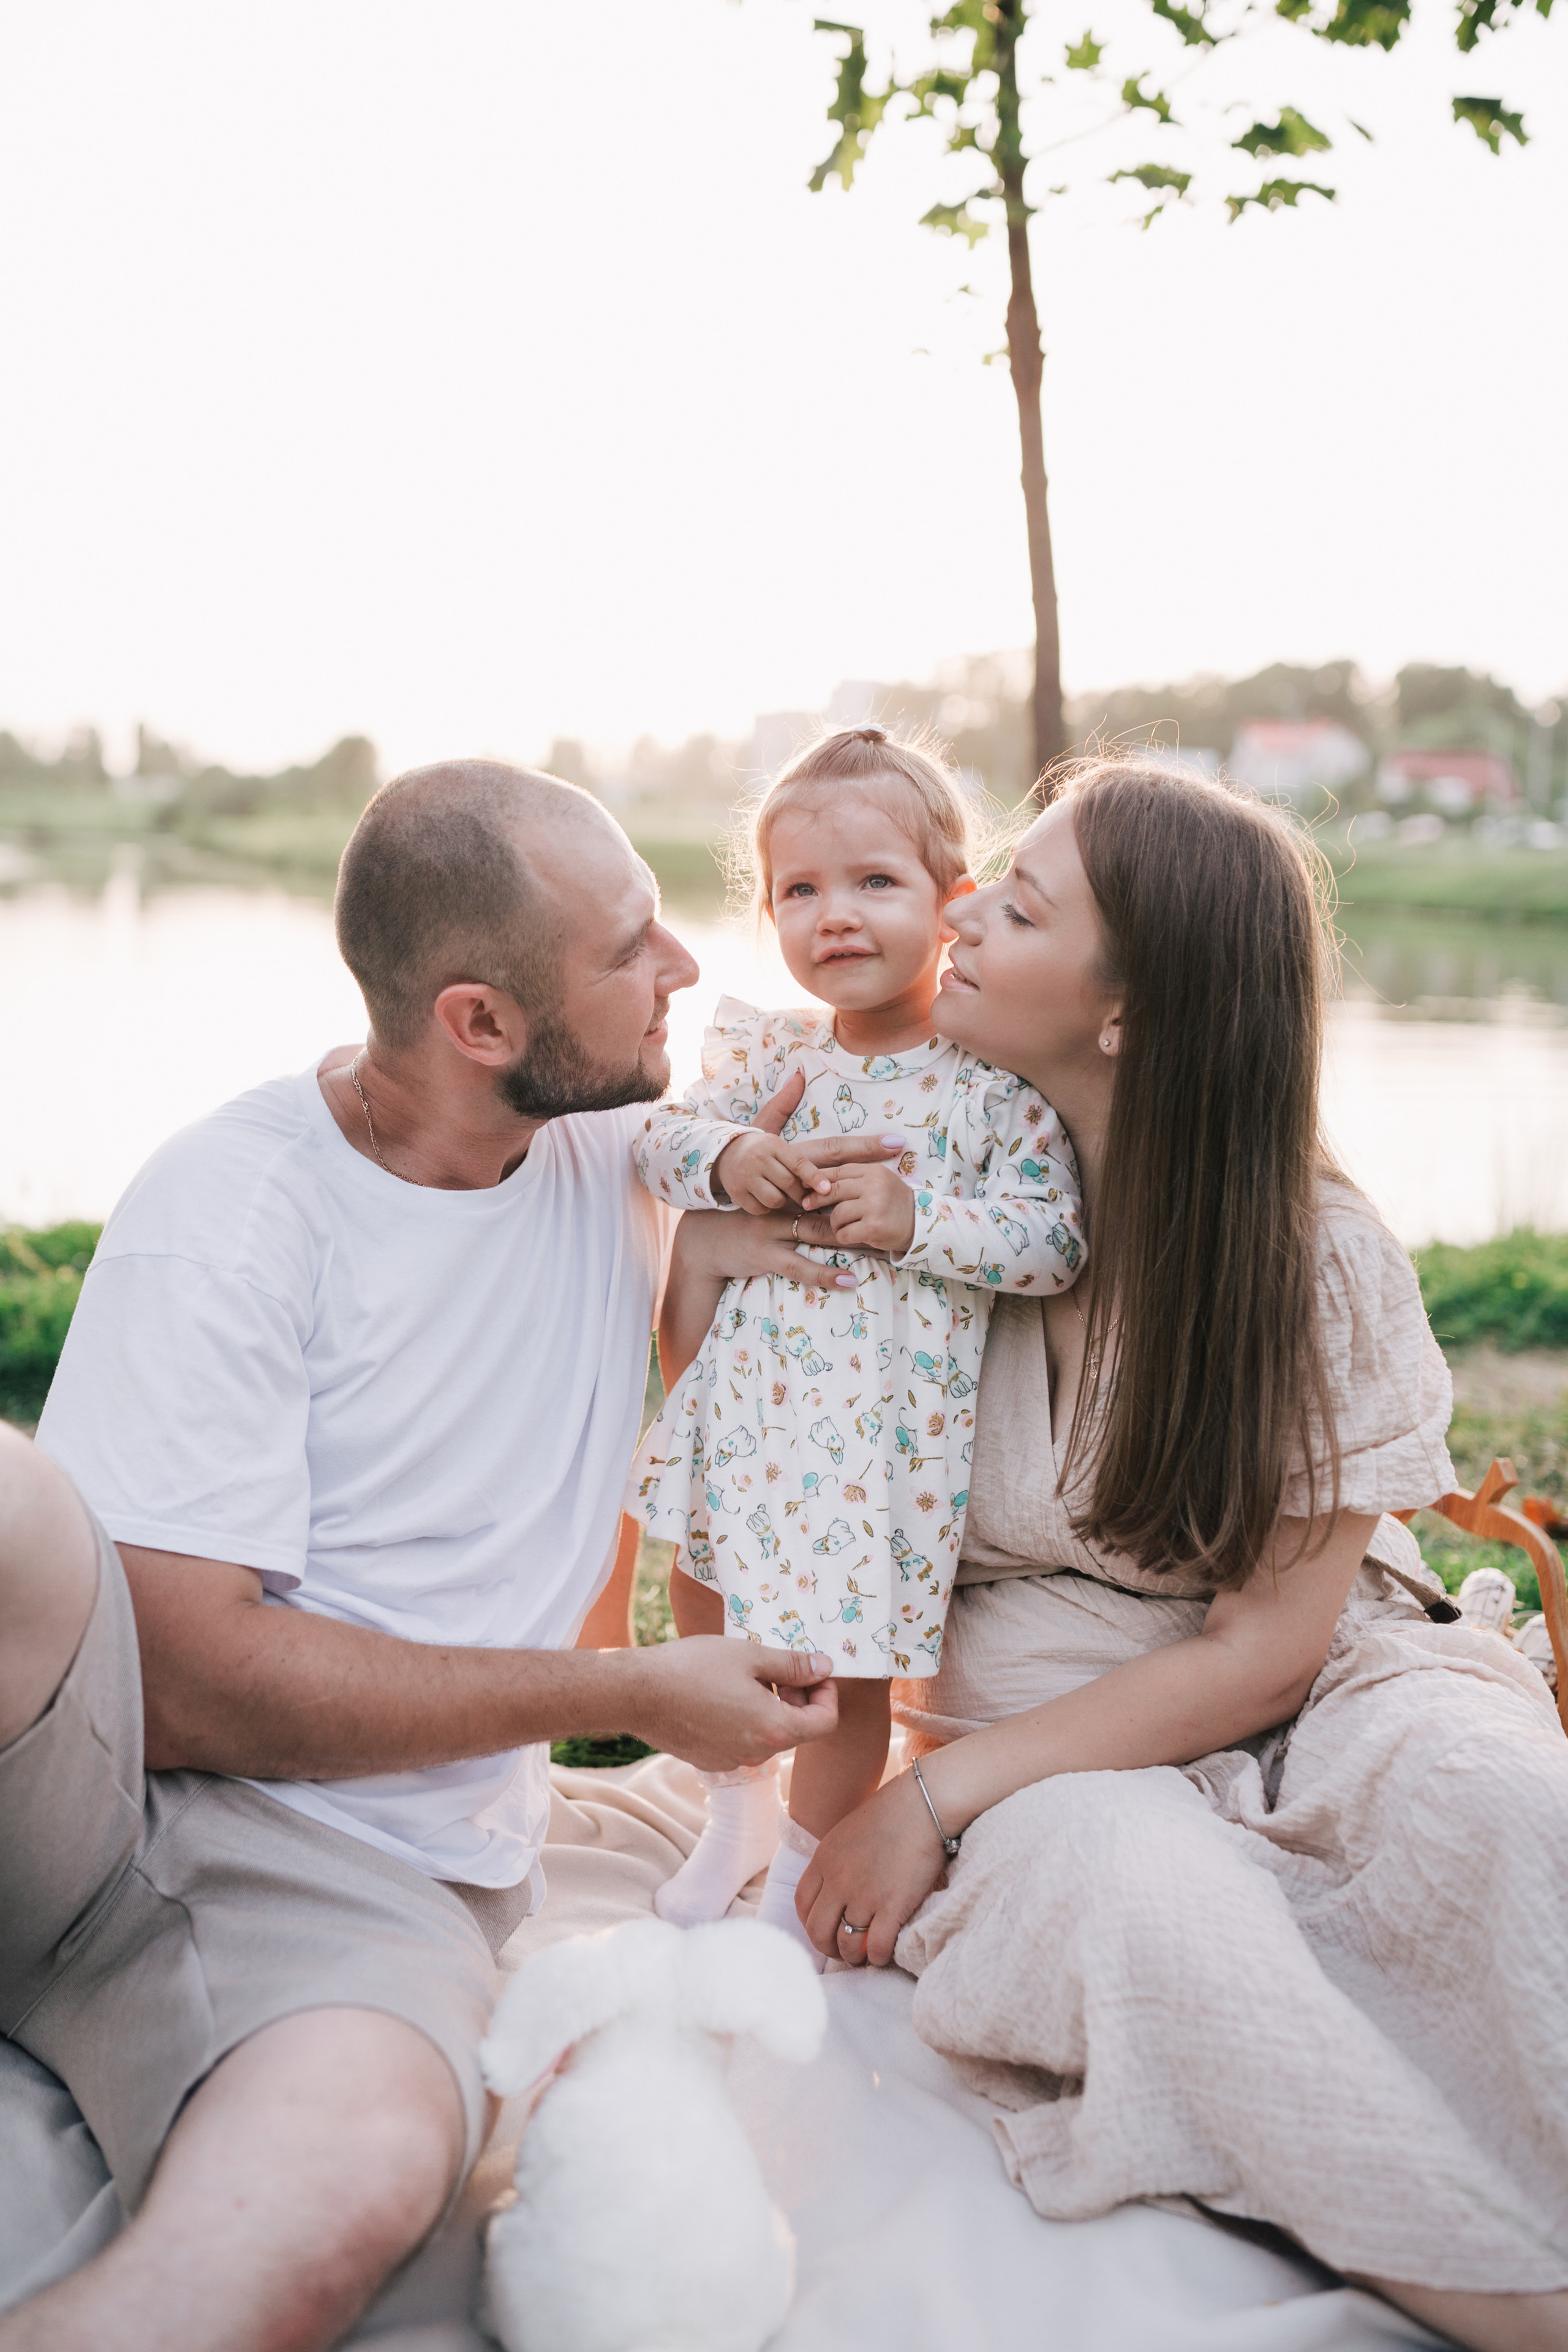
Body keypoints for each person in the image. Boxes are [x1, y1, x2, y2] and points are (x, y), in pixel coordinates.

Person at [663, 757, 1568, 2352]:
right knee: (1137, 1903)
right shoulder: (930, 1198)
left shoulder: (1310, 1257)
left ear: (1128, 1013)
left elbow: (1271, 1646)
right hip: (1042, 1740)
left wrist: (921, 1802)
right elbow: (721, 1433)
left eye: (1015, 903)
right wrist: (719, 1244)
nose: (959, 908)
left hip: (1327, 1669)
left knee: (1494, 1804)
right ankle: (1507, 2298)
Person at [0, 758, 871, 2352]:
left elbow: (894, 1124)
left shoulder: (626, 1163)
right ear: (481, 1023)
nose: (685, 968)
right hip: (71, 1766)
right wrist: (627, 1687)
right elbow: (185, 1678)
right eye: (633, 947)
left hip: (370, 1880)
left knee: (346, 2195)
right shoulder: (237, 1202)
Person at [628, 726, 1084, 1956]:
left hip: (876, 1454)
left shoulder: (985, 1084)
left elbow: (1051, 1240)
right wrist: (729, 1159)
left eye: (874, 882)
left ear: (954, 900)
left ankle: (792, 1892)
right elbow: (652, 1144)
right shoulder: (768, 1054)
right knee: (704, 1610)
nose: (834, 915)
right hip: (746, 1415)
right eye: (799, 891)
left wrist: (917, 1219)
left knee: (839, 1682)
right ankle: (732, 1816)